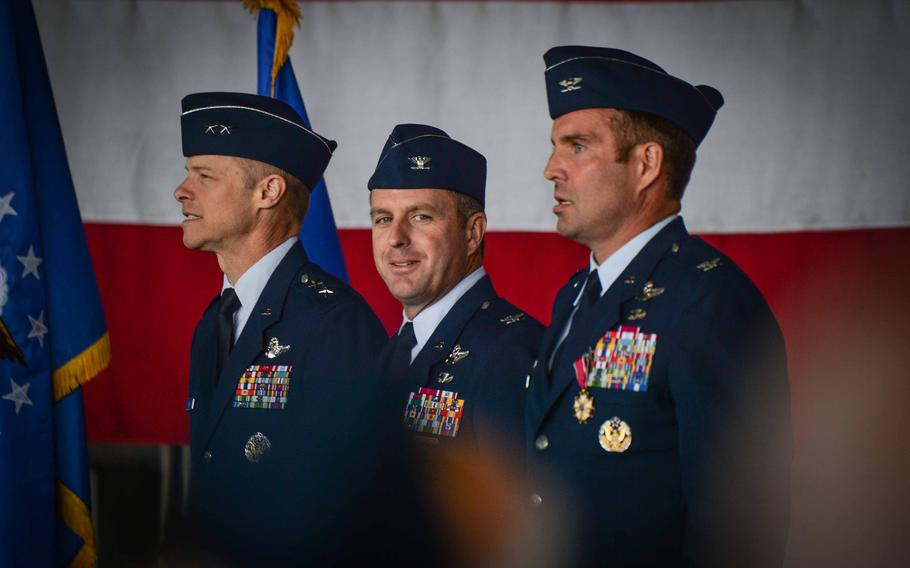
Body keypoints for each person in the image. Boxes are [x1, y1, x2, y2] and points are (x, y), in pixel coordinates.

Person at [525, 47, 792, 567]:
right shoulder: (575, 295)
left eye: (577, 146)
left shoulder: (710, 302)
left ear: (647, 163)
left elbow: (738, 533)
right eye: (556, 147)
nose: (551, 168)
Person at [174, 92, 395, 564]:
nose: (181, 190)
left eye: (204, 176)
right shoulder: (213, 323)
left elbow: (359, 513)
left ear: (267, 192)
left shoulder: (336, 325)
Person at [369, 123, 543, 466]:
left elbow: (519, 513)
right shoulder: (392, 351)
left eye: (421, 216)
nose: (396, 238)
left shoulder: (511, 352)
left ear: (472, 232)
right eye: (383, 219)